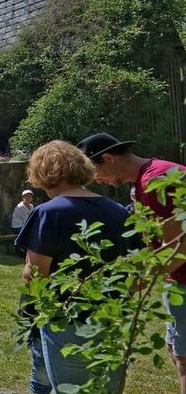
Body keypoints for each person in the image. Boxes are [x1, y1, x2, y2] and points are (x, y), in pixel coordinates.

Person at [15, 140, 130, 394]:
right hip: (111, 315)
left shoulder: (48, 213)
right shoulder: (118, 212)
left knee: (58, 385)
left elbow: (35, 276)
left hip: (63, 316)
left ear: (42, 173)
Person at [77, 132, 186, 393]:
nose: (96, 180)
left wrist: (134, 284)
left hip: (184, 280)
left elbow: (178, 248)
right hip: (177, 281)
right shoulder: (143, 181)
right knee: (175, 349)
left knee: (185, 360)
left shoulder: (155, 181)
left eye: (95, 172)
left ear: (108, 158)